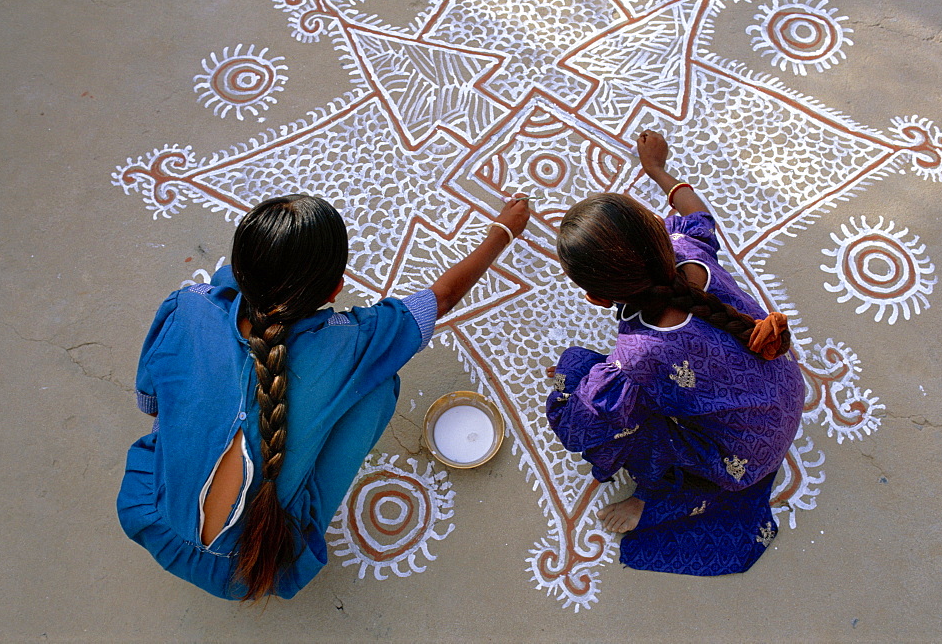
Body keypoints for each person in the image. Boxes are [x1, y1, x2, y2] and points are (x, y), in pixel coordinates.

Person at [117, 194, 529, 600]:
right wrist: (503, 232)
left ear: (240, 268)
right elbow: (440, 299)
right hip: (256, 568)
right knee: (377, 384)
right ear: (336, 290)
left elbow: (150, 404)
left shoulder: (185, 306)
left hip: (152, 517)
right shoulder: (351, 344)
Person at [546, 130, 803, 576]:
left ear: (597, 298)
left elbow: (581, 432)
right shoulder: (689, 249)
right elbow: (696, 212)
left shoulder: (637, 356)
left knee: (583, 377)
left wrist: (574, 382)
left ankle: (653, 496)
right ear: (658, 234)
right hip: (786, 392)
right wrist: (657, 170)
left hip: (745, 459)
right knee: (602, 382)